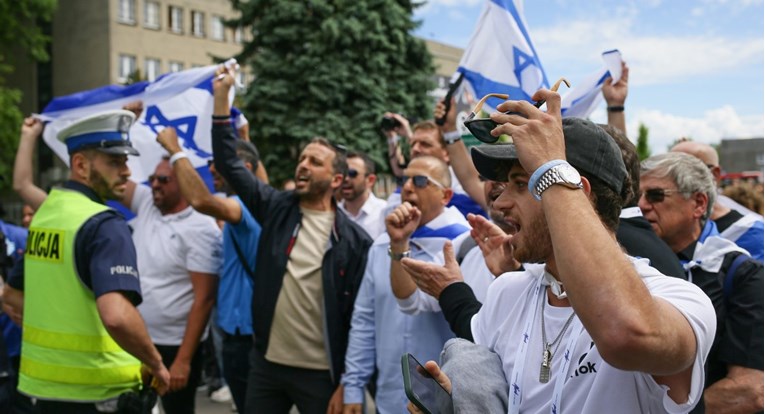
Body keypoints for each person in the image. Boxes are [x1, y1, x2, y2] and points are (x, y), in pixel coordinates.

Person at [397, 90, 716, 412]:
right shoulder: (509, 291)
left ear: (577, 192)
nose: (501, 202)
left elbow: (626, 335)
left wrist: (551, 170)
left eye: (523, 184)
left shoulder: (680, 299)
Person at [211, 66, 373, 414]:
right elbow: (229, 161)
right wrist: (222, 98)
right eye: (302, 158)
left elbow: (360, 318)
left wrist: (348, 382)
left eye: (315, 162)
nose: (303, 165)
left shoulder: (355, 242)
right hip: (267, 365)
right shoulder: (276, 208)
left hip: (320, 376)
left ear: (336, 180)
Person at [5, 110, 170, 413]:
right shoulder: (105, 224)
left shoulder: (48, 216)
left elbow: (12, 296)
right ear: (81, 165)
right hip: (99, 394)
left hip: (41, 392)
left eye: (125, 161)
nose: (127, 171)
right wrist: (155, 361)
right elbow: (117, 316)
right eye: (114, 162)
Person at [341, 156, 483, 413]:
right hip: (389, 398)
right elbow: (364, 321)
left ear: (446, 195)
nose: (407, 187)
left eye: (420, 181)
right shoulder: (382, 245)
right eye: (404, 180)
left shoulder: (466, 246)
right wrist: (353, 386)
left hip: (444, 400)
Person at [639, 152, 764, 413]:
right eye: (637, 196)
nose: (641, 205)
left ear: (698, 203)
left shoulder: (742, 273)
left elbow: (749, 390)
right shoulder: (635, 266)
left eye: (655, 195)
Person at [156, 127, 266, 413]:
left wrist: (175, 150)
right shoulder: (262, 203)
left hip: (245, 341)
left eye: (220, 165)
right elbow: (258, 178)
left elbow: (202, 201)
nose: (213, 170)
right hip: (241, 335)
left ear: (244, 169)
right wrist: (245, 141)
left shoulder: (245, 207)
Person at [119, 154, 221, 414]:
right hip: (136, 341)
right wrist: (129, 125)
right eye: (153, 178)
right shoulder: (147, 205)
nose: (154, 185)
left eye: (164, 179)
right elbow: (114, 176)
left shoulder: (202, 228)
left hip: (175, 347)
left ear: (185, 184)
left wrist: (184, 361)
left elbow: (204, 299)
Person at [600, 124, 685, 279]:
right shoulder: (657, 247)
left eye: (656, 195)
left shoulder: (605, 243)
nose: (643, 204)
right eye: (641, 194)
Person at [671, 140, 764, 260]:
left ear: (714, 174)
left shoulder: (751, 234)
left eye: (681, 172)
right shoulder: (666, 227)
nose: (670, 181)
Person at [382, 113, 486, 218]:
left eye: (425, 144)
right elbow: (399, 170)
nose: (415, 149)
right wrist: (392, 138)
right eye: (412, 144)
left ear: (447, 152)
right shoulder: (398, 196)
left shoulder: (468, 190)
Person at [338, 151, 387, 240]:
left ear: (370, 180)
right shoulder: (333, 213)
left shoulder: (384, 213)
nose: (345, 179)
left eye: (352, 173)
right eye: (342, 173)